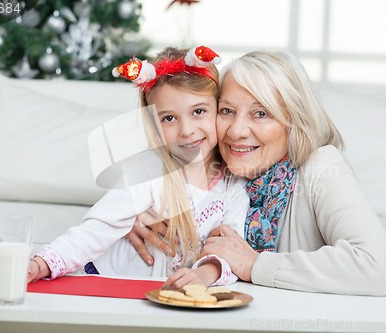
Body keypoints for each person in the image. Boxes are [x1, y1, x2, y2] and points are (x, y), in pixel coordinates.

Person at [126, 50, 386, 296]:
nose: (236, 131)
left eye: (260, 114)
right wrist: (130, 213)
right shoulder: (213, 165)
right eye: (227, 111)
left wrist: (252, 264)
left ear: (294, 121)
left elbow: (376, 266)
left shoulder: (321, 165)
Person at [27, 46, 249, 287]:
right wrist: (42, 263)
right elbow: (97, 229)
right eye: (169, 118)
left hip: (163, 293)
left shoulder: (233, 186)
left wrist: (203, 275)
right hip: (107, 281)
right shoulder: (145, 171)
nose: (186, 130)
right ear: (154, 125)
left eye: (198, 111)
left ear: (219, 110)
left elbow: (229, 251)